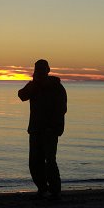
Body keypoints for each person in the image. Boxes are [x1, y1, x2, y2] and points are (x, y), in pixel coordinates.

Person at [18, 59, 67, 200]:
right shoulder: (34, 86)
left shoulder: (57, 87)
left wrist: (54, 128)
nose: (39, 72)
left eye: (41, 69)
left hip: (50, 131)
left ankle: (55, 190)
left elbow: (61, 109)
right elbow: (22, 95)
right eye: (37, 70)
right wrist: (34, 85)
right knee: (34, 162)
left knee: (50, 161)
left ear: (48, 70)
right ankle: (42, 188)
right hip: (35, 129)